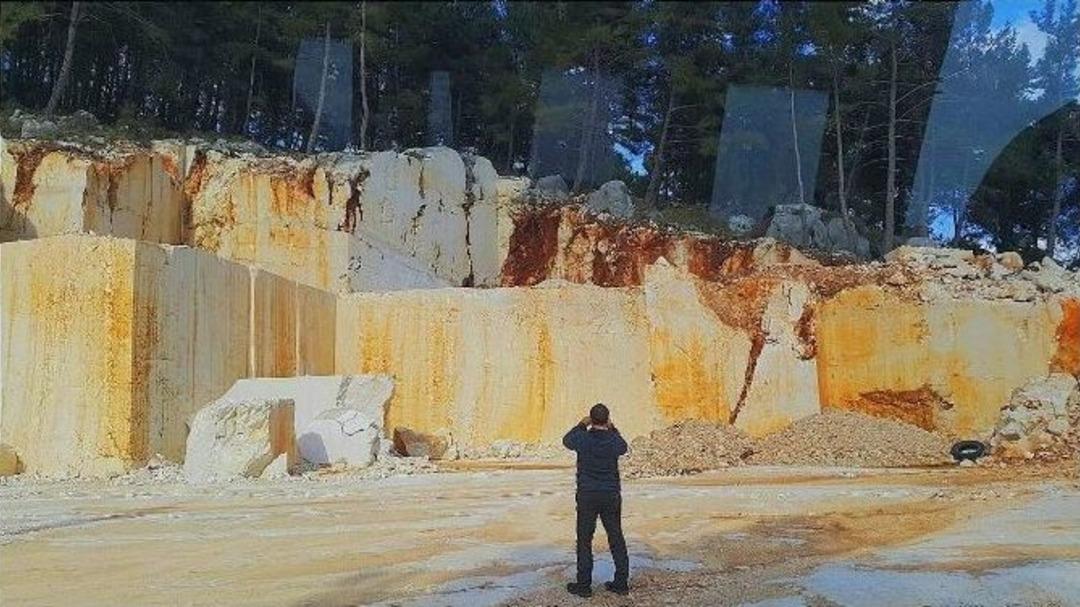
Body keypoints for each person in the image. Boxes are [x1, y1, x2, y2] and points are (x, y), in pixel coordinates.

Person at [562, 403, 630, 597]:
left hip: (587, 495)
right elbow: (623, 447)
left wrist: (581, 425)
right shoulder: (613, 439)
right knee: (616, 537)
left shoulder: (582, 438)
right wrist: (613, 427)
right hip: (610, 495)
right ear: (607, 420)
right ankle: (621, 583)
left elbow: (567, 440)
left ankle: (584, 586)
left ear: (592, 419)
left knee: (584, 540)